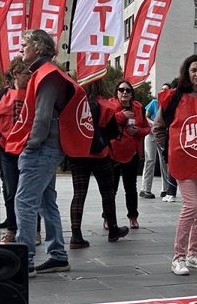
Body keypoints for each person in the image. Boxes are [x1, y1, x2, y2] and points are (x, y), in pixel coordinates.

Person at [4, 28, 75, 275]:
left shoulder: (47, 75)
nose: (21, 47)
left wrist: (31, 145)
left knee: (24, 201)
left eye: (25, 44)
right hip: (48, 147)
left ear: (39, 48)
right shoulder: (46, 73)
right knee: (46, 202)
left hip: (42, 148)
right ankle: (57, 255)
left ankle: (26, 261)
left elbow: (43, 116)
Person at [153, 54, 197, 275]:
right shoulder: (173, 97)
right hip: (183, 160)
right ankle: (178, 257)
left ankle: (193, 254)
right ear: (186, 72)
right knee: (191, 206)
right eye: (193, 70)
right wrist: (168, 151)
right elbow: (158, 127)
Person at [68, 79, 126, 247]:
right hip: (99, 154)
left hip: (78, 154)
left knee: (79, 194)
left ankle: (76, 235)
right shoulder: (105, 105)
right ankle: (113, 228)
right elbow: (113, 132)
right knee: (107, 193)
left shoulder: (74, 105)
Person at [0, 58, 30, 242]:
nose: (29, 77)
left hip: (29, 149)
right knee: (11, 191)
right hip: (7, 150)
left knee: (30, 191)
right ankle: (12, 228)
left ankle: (32, 230)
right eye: (26, 74)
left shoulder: (34, 94)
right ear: (15, 75)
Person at [108, 80, 149, 231]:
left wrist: (138, 131)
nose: (124, 93)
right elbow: (105, 124)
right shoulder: (110, 105)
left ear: (132, 93)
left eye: (128, 90)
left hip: (132, 153)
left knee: (131, 188)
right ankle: (108, 218)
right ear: (116, 92)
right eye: (121, 90)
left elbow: (146, 128)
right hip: (113, 153)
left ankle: (133, 216)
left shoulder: (139, 108)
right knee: (111, 189)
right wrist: (121, 116)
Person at [141, 82, 174, 200]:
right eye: (162, 89)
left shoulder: (170, 105)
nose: (163, 91)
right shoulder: (154, 103)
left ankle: (165, 189)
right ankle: (145, 189)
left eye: (166, 90)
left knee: (164, 161)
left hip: (162, 135)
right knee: (150, 159)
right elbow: (146, 116)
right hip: (151, 134)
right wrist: (154, 123)